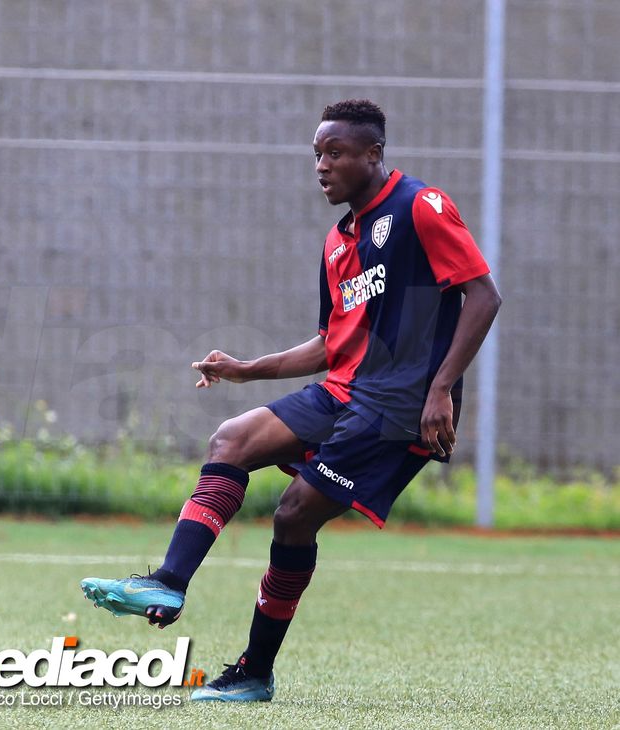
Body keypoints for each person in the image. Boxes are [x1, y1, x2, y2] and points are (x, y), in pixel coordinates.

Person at [80, 99, 502, 702]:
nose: (321, 166)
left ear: (373, 155)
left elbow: (483, 296)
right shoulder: (339, 241)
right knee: (231, 438)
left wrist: (440, 389)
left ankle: (254, 671)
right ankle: (169, 582)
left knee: (295, 513)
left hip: (398, 404)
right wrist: (247, 371)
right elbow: (334, 343)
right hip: (346, 389)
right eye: (316, 155)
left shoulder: (421, 207)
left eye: (335, 153)